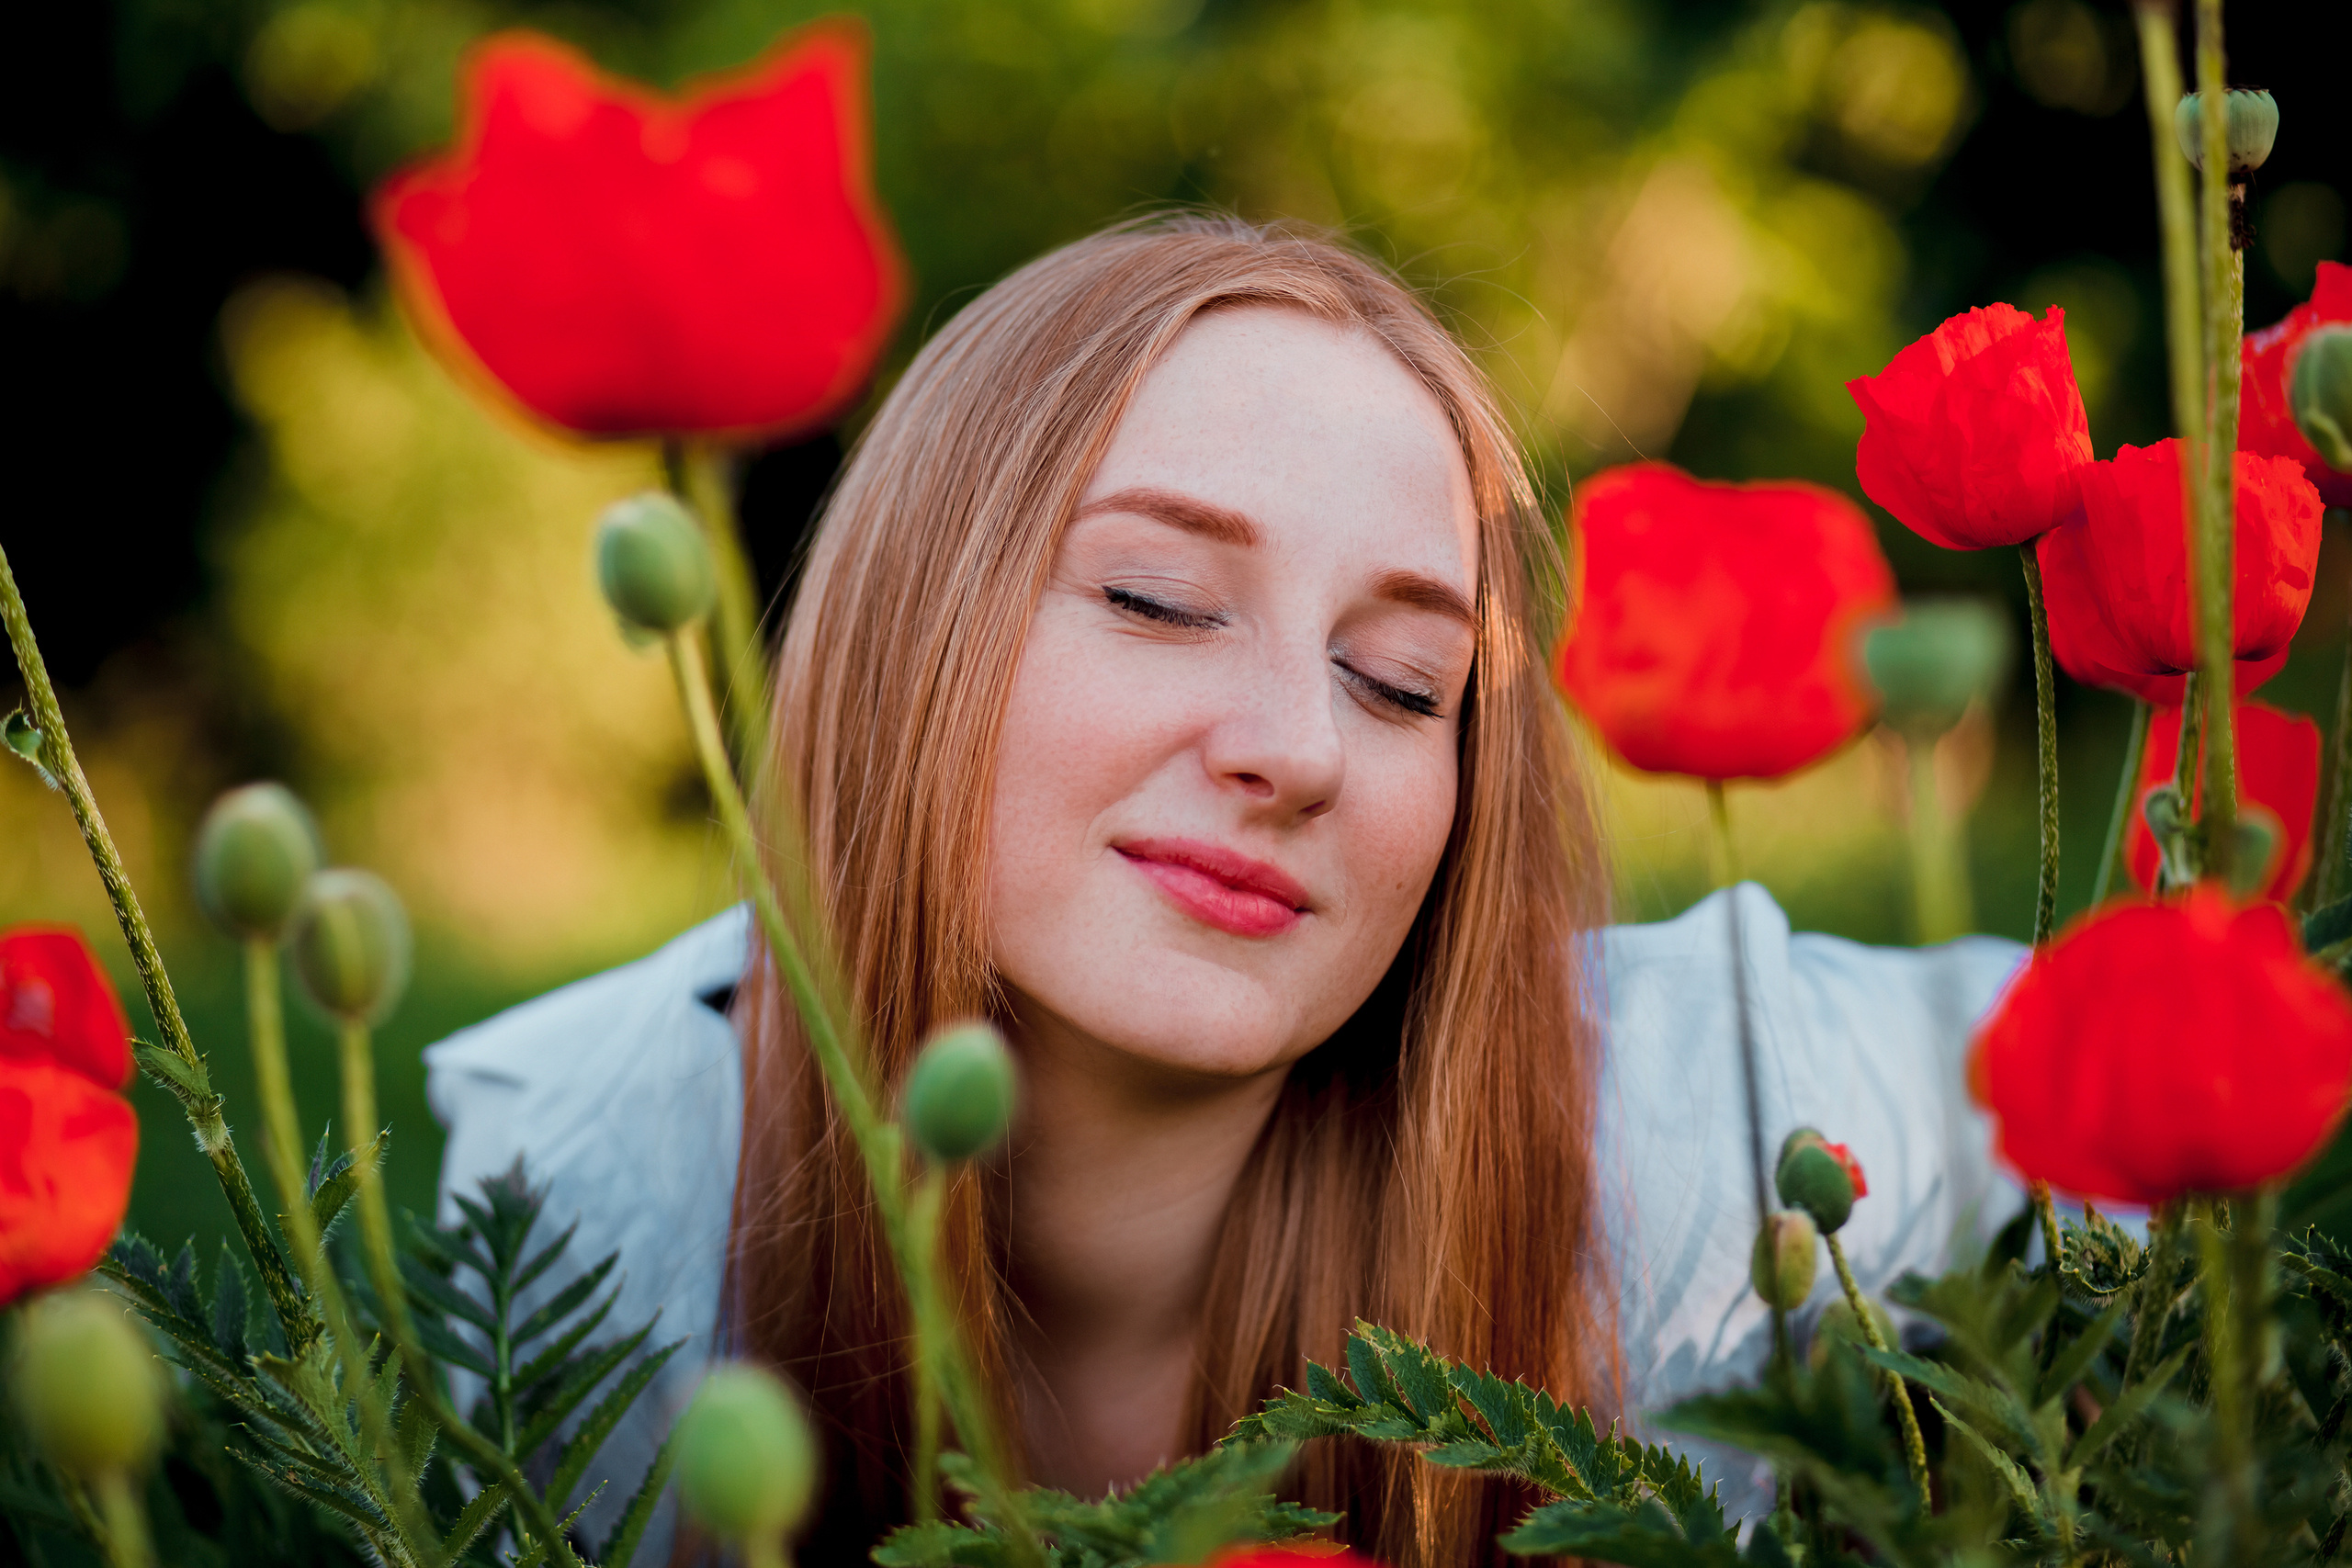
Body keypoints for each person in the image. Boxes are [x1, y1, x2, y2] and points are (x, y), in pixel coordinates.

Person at [425, 215, 2022, 1567]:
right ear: (911, 629)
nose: (1296, 749)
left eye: (1405, 684)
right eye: (1160, 597)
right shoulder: (595, 1187)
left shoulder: (1705, 1128)